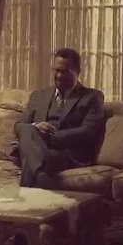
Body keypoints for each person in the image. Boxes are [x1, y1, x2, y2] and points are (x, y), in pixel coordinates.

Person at [13, 48, 105, 188]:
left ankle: (33, 184)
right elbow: (19, 126)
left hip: (67, 154)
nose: (59, 76)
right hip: (38, 149)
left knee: (31, 156)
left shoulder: (92, 97)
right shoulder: (38, 96)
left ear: (78, 72)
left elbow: (89, 131)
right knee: (26, 129)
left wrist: (52, 136)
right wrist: (36, 127)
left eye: (65, 71)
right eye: (56, 70)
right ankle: (40, 178)